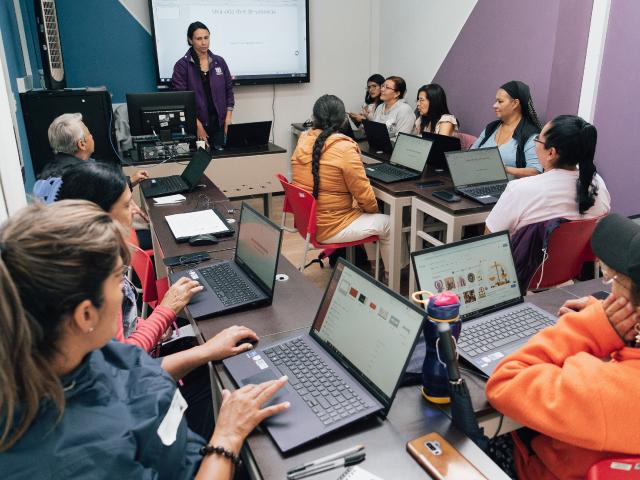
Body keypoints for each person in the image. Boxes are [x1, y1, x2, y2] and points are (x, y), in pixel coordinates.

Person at [0, 200, 288, 478]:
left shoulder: (71, 353)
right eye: (117, 279)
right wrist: (227, 436)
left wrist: (205, 352)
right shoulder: (76, 460)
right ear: (85, 314)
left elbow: (130, 371)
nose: (125, 291)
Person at [486, 213, 640, 479]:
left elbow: (505, 381)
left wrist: (593, 326)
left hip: (534, 468)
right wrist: (611, 317)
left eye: (613, 280)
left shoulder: (603, 390)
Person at [291, 94, 391, 274]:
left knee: (364, 210)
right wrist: (373, 211)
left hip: (308, 223)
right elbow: (363, 193)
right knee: (386, 222)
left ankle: (376, 266)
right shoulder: (344, 148)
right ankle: (391, 278)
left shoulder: (303, 139)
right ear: (343, 120)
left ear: (313, 117)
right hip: (330, 227)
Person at [484, 115, 610, 235]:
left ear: (551, 153)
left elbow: (489, 240)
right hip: (578, 258)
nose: (535, 143)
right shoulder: (599, 185)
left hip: (526, 258)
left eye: (538, 138)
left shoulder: (521, 189)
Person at [171, 21, 234, 150]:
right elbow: (182, 102)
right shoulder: (182, 66)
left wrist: (228, 119)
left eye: (206, 37)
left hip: (219, 125)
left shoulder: (219, 61)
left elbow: (229, 91)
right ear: (190, 40)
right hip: (196, 127)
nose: (204, 42)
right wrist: (198, 126)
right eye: (199, 39)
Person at [40, 113, 149, 185]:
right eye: (89, 133)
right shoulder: (84, 176)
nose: (92, 136)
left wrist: (131, 180)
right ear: (82, 144)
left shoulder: (49, 170)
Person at [471, 80, 542, 178]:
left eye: (500, 101)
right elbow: (470, 154)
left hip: (511, 189)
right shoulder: (491, 128)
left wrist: (504, 169)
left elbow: (536, 171)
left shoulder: (530, 134)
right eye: (495, 101)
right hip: (478, 181)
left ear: (515, 103)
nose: (494, 105)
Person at [372, 75, 416, 142]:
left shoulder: (404, 110)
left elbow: (401, 140)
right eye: (383, 86)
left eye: (387, 87)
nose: (382, 89)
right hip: (377, 145)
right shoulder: (380, 107)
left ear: (397, 93)